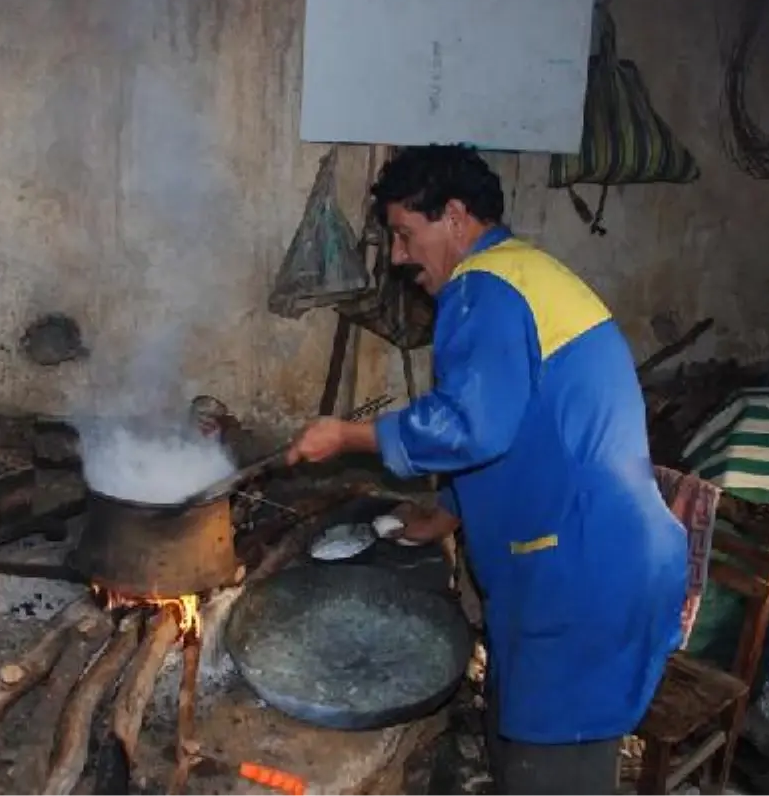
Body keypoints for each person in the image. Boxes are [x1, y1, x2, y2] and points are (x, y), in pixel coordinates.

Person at [286, 145, 688, 796]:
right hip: (583, 563)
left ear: (454, 216)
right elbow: (519, 429)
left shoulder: (483, 288)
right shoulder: (523, 274)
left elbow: (472, 424)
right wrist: (444, 513)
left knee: (555, 777)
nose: (397, 256)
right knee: (521, 750)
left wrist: (349, 435)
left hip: (581, 577)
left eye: (404, 234)